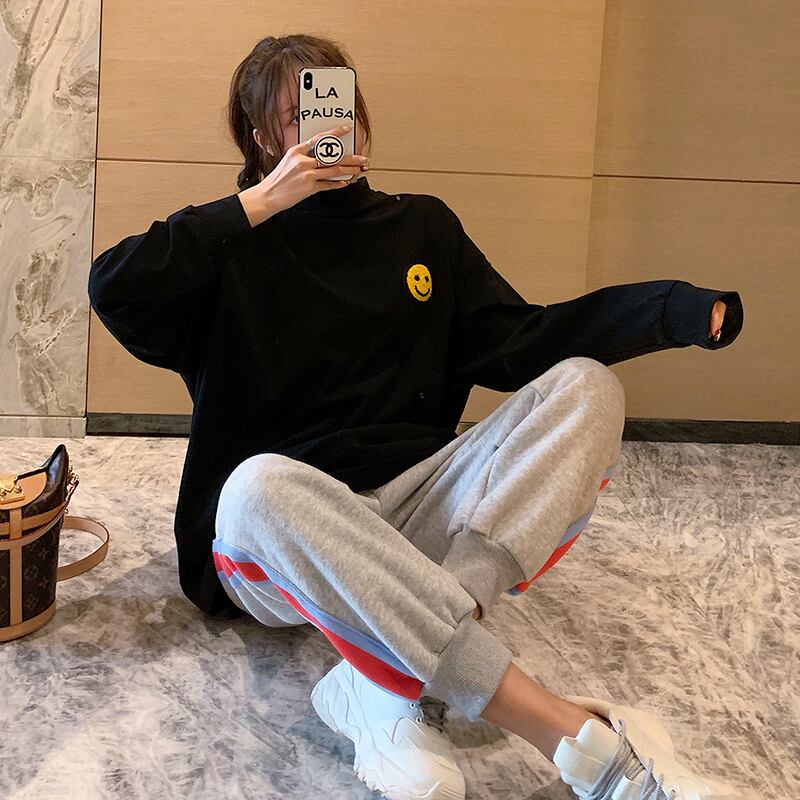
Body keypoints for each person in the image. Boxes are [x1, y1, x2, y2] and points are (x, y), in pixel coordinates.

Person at [88, 33, 745, 800]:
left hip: (414, 512)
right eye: (300, 115)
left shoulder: (422, 229)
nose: (329, 125)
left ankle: (386, 672)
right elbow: (115, 288)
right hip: (287, 539)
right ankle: (567, 734)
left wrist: (669, 310)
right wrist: (263, 202)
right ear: (263, 137)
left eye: (337, 104)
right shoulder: (228, 249)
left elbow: (522, 344)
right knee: (255, 487)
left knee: (587, 387)